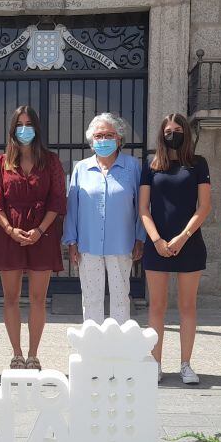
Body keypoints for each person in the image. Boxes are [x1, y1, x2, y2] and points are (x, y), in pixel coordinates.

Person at [0, 105, 67, 370]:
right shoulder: (1, 163)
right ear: (12, 129)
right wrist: (10, 229)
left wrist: (40, 230)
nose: (24, 129)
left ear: (37, 128)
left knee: (38, 298)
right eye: (19, 124)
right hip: (9, 233)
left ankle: (33, 354)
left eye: (28, 123)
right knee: (10, 298)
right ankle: (17, 354)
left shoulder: (51, 161)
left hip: (42, 234)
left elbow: (57, 199)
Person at [140, 113, 212, 385]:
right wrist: (157, 240)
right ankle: (155, 364)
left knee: (187, 307)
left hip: (189, 243)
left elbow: (203, 206)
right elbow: (143, 208)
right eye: (168, 130)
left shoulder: (197, 164)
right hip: (156, 244)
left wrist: (183, 237)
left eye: (178, 129)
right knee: (156, 307)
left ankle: (186, 364)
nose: (173, 134)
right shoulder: (151, 165)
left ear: (186, 133)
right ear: (161, 134)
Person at [64, 112, 144, 325]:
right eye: (99, 136)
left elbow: (142, 206)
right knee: (91, 299)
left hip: (122, 244)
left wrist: (140, 238)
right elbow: (73, 207)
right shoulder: (81, 168)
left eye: (109, 135)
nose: (103, 140)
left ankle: (118, 350)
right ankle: (92, 349)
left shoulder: (133, 166)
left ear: (119, 139)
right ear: (91, 140)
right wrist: (71, 241)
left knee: (120, 298)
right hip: (88, 245)